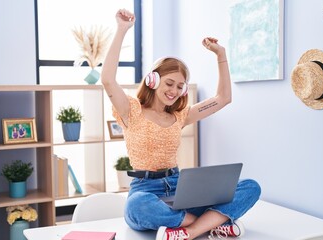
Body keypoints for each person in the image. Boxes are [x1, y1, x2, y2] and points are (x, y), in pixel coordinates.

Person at [101, 9, 261, 240]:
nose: (174, 91)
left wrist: (220, 55)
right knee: (137, 208)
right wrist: (122, 29)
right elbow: (107, 79)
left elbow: (223, 98)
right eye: (169, 83)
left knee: (250, 186)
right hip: (146, 190)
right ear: (153, 80)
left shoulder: (180, 115)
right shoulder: (131, 110)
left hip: (180, 188)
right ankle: (212, 223)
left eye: (180, 86)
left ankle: (190, 231)